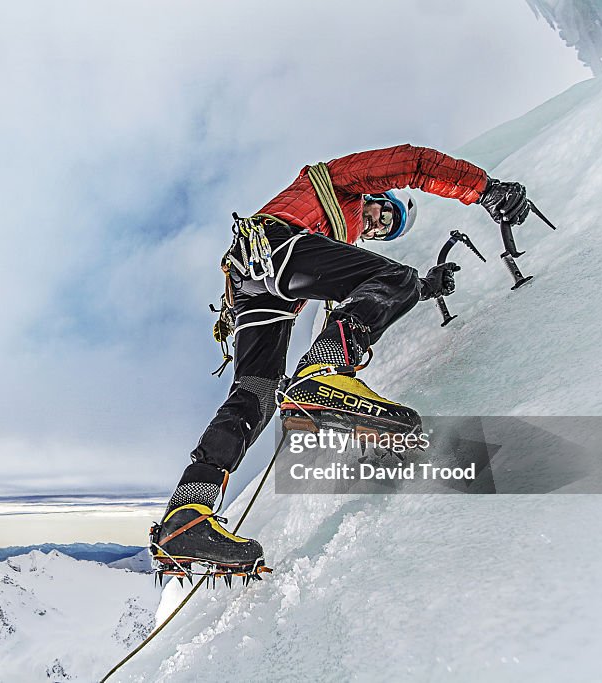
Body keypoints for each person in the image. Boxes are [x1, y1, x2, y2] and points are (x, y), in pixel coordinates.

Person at [151, 144, 529, 572]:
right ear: (375, 197)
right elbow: (413, 163)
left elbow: (353, 284)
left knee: (256, 392)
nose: (378, 225)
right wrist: (486, 189)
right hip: (275, 242)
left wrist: (424, 287)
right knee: (393, 276)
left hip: (255, 279)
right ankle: (324, 373)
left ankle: (186, 517)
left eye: (385, 230)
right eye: (384, 214)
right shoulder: (337, 182)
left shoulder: (334, 235)